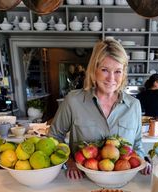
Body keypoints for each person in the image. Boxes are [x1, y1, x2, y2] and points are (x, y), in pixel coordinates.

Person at [49, 38, 151, 179]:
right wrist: (70, 162)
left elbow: (137, 144)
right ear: (94, 70)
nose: (111, 78)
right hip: (82, 180)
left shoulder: (134, 105)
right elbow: (54, 137)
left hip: (123, 181)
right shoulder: (73, 101)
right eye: (104, 70)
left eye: (117, 71)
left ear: (124, 73)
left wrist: (142, 161)